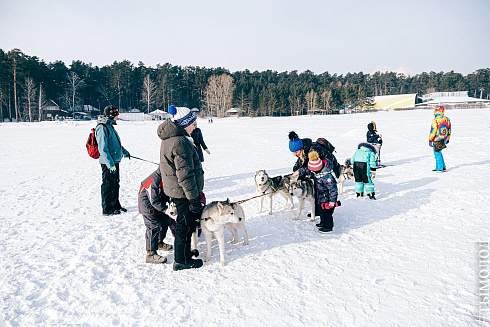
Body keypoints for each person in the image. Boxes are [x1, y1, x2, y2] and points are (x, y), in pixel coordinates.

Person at [157, 105, 205, 271]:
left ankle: (184, 254)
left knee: (186, 224)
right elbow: (185, 174)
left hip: (178, 190)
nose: (194, 127)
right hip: (183, 192)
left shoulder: (171, 138)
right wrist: (193, 198)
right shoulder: (180, 142)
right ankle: (181, 261)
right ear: (184, 123)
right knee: (184, 227)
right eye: (192, 124)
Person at [95, 105, 130, 216]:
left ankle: (115, 205)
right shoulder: (102, 127)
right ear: (111, 115)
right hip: (108, 163)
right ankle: (107, 208)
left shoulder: (110, 126)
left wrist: (125, 152)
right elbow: (103, 149)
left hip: (114, 160)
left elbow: (115, 144)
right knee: (108, 185)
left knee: (115, 183)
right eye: (116, 114)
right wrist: (110, 164)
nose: (117, 116)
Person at [292, 151, 338, 233]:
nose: (312, 173)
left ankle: (328, 227)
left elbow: (333, 189)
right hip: (321, 196)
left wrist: (332, 201)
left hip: (327, 199)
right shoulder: (316, 171)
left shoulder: (327, 176)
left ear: (318, 169)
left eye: (313, 171)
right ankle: (322, 223)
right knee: (321, 211)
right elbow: (307, 170)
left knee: (326, 213)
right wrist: (299, 171)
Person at [138, 168, 175, 264]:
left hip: (159, 201)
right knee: (153, 225)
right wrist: (165, 209)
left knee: (165, 220)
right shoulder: (154, 180)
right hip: (147, 203)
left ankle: (159, 242)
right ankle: (150, 253)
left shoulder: (168, 176)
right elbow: (153, 200)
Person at [429, 106, 451, 172]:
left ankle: (439, 168)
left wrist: (430, 139)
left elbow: (433, 130)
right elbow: (449, 130)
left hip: (437, 139)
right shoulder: (447, 119)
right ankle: (443, 167)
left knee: (437, 153)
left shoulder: (435, 120)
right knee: (439, 152)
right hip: (443, 139)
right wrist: (447, 138)